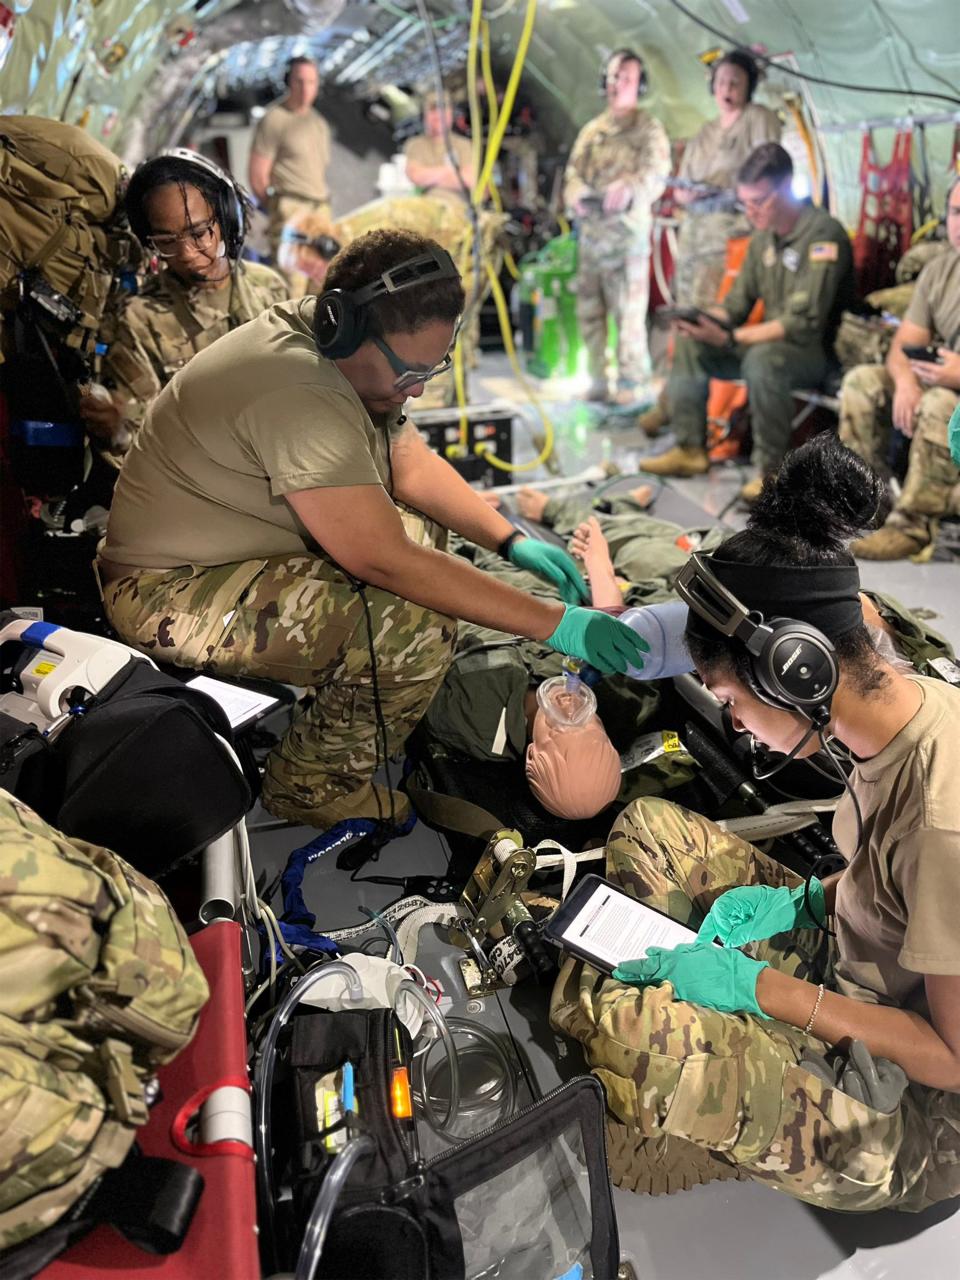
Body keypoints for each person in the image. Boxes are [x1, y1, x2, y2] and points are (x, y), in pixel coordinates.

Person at [96, 229, 647, 831]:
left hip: (232, 549)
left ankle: (339, 702)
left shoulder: (339, 348)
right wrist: (557, 624)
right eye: (410, 371)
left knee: (423, 537)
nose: (418, 387)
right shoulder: (297, 388)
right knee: (415, 626)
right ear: (345, 328)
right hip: (165, 588)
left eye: (434, 367)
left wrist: (511, 541)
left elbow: (405, 461)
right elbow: (384, 561)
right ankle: (309, 787)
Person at [551, 435, 960, 1212]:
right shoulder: (899, 724)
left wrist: (758, 987)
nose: (734, 724)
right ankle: (699, 1064)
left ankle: (690, 1066)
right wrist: (811, 901)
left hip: (925, 1112)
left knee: (639, 1035)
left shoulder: (949, 818)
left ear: (796, 673)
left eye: (731, 700)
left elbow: (950, 1060)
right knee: (648, 824)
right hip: (860, 959)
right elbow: (893, 877)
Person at [640, 143, 854, 501]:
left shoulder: (822, 235)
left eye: (759, 201)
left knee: (763, 359)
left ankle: (773, 473)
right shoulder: (762, 240)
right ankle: (690, 448)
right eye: (745, 203)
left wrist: (730, 337)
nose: (750, 211)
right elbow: (736, 306)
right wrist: (704, 321)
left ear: (786, 187)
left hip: (815, 354)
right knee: (694, 343)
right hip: (771, 345)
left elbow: (802, 323)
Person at [79, 151, 287, 465]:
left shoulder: (268, 287)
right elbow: (141, 437)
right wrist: (118, 426)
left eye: (200, 233)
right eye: (166, 241)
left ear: (227, 215)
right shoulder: (139, 318)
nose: (187, 253)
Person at [638, 49, 781, 436]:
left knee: (709, 322)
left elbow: (764, 174)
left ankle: (706, 422)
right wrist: (698, 192)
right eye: (720, 82)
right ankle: (676, 406)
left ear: (749, 86)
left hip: (731, 239)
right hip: (696, 238)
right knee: (684, 322)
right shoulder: (705, 133)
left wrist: (722, 190)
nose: (727, 90)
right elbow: (684, 189)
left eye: (735, 82)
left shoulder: (759, 120)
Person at [839, 175, 960, 560]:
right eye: (957, 211)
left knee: (940, 402)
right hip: (935, 377)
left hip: (948, 392)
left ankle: (913, 525)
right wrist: (906, 381)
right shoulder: (941, 271)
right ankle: (868, 505)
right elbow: (903, 345)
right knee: (862, 382)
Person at [563, 49, 670, 405]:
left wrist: (629, 188)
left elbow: (656, 175)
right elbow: (573, 173)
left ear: (639, 85)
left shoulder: (648, 129)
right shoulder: (593, 131)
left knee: (628, 320)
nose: (616, 84)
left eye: (625, 77)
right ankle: (596, 379)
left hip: (626, 242)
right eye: (611, 77)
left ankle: (631, 385)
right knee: (590, 316)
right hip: (592, 240)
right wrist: (576, 191)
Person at [249, 56, 331, 296]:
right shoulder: (275, 119)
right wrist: (279, 210)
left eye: (311, 82)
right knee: (290, 288)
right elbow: (257, 176)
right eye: (300, 81)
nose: (306, 89)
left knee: (321, 285)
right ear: (289, 82)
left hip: (320, 209)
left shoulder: (319, 124)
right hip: (291, 208)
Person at [403, 89, 476, 208]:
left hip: (459, 210)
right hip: (424, 208)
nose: (438, 116)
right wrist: (451, 171)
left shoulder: (464, 144)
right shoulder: (415, 144)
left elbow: (469, 179)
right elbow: (416, 176)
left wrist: (430, 177)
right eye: (432, 110)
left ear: (451, 114)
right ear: (424, 115)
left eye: (443, 111)